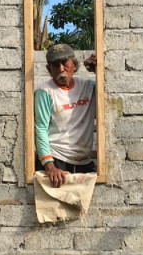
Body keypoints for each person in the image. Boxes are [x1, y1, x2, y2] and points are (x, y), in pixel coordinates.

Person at [34, 43, 97, 188]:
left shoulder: (88, 86)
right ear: (49, 70)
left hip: (83, 162)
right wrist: (49, 166)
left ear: (74, 65)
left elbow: (108, 89)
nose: (61, 69)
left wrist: (99, 71)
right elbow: (41, 128)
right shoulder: (46, 91)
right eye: (55, 65)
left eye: (65, 63)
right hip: (57, 160)